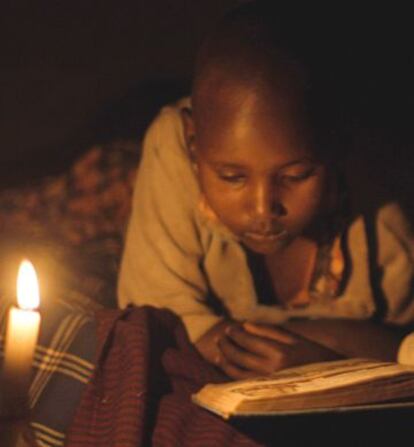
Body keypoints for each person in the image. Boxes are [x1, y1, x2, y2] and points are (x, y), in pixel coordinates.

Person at [118, 1, 414, 380]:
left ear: (336, 147)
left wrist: (324, 361)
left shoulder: (378, 185)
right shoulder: (174, 145)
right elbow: (152, 317)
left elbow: (405, 343)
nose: (262, 209)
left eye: (296, 176)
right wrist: (343, 341)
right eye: (231, 177)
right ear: (194, 145)